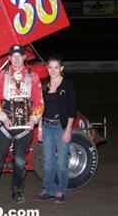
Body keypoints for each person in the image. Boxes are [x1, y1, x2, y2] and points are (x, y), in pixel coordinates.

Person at [0, 44, 44, 205]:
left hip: (24, 127)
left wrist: (33, 121)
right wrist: (2, 117)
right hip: (5, 124)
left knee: (20, 162)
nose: (16, 59)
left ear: (24, 57)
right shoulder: (1, 76)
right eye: (13, 56)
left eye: (19, 56)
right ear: (9, 58)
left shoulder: (33, 77)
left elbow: (39, 102)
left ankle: (17, 192)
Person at [34, 55, 76, 203]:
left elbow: (72, 110)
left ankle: (60, 190)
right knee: (49, 161)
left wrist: (68, 130)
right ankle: (47, 189)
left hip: (61, 127)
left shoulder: (67, 85)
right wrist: (39, 128)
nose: (53, 70)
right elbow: (40, 109)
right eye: (50, 67)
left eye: (56, 67)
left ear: (61, 68)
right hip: (46, 127)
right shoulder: (44, 85)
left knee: (62, 161)